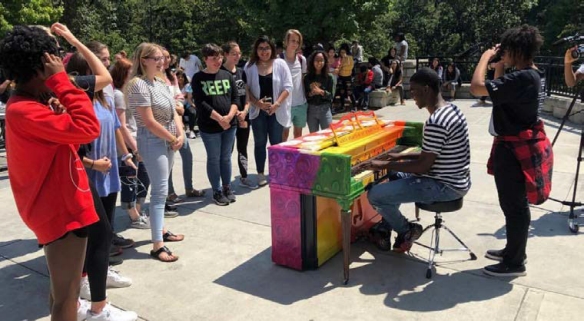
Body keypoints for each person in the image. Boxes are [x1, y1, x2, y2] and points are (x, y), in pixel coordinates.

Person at [1, 24, 100, 321]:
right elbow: (88, 129)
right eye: (53, 61)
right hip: (60, 211)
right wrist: (61, 82)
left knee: (61, 292)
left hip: (60, 206)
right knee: (67, 298)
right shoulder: (24, 110)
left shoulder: (28, 105)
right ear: (41, 65)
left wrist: (58, 105)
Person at [471, 25, 553, 277]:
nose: (502, 53)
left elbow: (477, 87)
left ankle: (515, 262)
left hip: (515, 148)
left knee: (514, 205)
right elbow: (499, 94)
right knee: (513, 204)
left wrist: (485, 57)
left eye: (506, 50)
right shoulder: (530, 74)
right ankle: (513, 251)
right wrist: (499, 66)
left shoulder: (522, 78)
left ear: (517, 50)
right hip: (516, 144)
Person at [367, 67, 471, 253]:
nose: (411, 95)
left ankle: (406, 230)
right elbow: (432, 154)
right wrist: (401, 156)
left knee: (375, 195)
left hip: (444, 186)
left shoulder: (436, 122)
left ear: (426, 89)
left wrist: (384, 163)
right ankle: (388, 227)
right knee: (396, 173)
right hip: (457, 180)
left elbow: (423, 166)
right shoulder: (452, 110)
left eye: (413, 90)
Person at [127, 43, 185, 262]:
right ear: (144, 60)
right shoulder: (138, 84)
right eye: (157, 58)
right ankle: (157, 246)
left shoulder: (161, 81)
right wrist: (172, 138)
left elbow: (174, 112)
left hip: (168, 140)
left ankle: (160, 230)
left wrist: (180, 134)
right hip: (152, 141)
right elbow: (149, 122)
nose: (162, 61)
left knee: (161, 188)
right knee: (160, 192)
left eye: (163, 57)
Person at [192, 44, 239, 205]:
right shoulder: (198, 78)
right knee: (214, 159)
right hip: (210, 127)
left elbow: (235, 99)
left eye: (219, 57)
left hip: (229, 126)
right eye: (213, 58)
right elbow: (201, 103)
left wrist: (229, 117)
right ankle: (216, 191)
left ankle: (227, 187)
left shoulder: (227, 75)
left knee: (226, 158)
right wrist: (220, 119)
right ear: (205, 59)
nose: (218, 61)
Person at [244, 36, 292, 187]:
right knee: (259, 143)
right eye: (261, 48)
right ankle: (260, 173)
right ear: (256, 50)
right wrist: (256, 102)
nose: (264, 51)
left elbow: (288, 87)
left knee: (276, 143)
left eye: (267, 48)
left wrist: (277, 104)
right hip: (258, 112)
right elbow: (245, 88)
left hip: (275, 111)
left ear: (272, 49)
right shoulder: (250, 66)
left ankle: (277, 172)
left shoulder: (280, 64)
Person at [110, 57, 151, 229]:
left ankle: (138, 209)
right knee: (130, 180)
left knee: (144, 177)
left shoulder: (129, 92)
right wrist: (134, 149)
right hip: (128, 145)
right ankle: (133, 215)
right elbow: (121, 126)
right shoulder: (118, 95)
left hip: (137, 140)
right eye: (131, 71)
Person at [161, 48, 205, 204]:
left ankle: (189, 188)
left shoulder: (172, 76)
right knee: (169, 161)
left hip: (177, 122)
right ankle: (170, 192)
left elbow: (179, 96)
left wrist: (178, 104)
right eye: (162, 57)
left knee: (187, 155)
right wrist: (175, 105)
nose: (166, 60)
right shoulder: (153, 78)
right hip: (163, 126)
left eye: (167, 57)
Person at [222, 41, 258, 189]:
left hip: (243, 116)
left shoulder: (242, 72)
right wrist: (234, 113)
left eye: (239, 53)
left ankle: (244, 176)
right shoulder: (220, 73)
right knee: (226, 151)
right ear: (225, 55)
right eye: (233, 54)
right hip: (229, 118)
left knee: (242, 147)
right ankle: (224, 182)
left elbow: (247, 95)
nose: (237, 56)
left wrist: (245, 111)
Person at [280, 29, 308, 140]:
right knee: (284, 134)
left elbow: (303, 79)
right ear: (286, 41)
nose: (295, 44)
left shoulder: (302, 60)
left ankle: (295, 157)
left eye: (297, 41)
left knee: (298, 135)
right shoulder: (279, 60)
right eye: (292, 41)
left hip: (300, 103)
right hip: (285, 104)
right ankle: (282, 157)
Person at [304, 50, 334, 133]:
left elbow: (331, 96)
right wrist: (311, 93)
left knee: (328, 136)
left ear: (325, 62)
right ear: (312, 62)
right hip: (311, 110)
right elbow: (305, 95)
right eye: (316, 60)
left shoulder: (329, 77)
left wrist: (321, 92)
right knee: (313, 137)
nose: (319, 62)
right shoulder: (307, 78)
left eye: (321, 60)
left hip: (325, 109)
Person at [336, 43, 354, 112]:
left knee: (350, 92)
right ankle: (342, 106)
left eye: (343, 52)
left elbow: (350, 67)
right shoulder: (339, 58)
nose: (342, 53)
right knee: (342, 92)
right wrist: (342, 65)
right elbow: (338, 67)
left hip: (348, 77)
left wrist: (342, 66)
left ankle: (354, 106)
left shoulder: (349, 58)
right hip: (341, 77)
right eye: (341, 52)